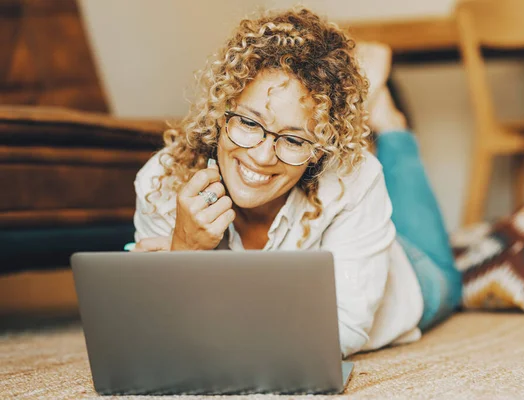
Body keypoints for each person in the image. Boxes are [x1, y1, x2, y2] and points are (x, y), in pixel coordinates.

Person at [132, 7, 462, 358]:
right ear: (222, 110)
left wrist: (194, 285)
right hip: (352, 237)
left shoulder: (357, 177)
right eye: (248, 122)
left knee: (452, 283)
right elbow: (156, 334)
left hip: (406, 274)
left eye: (293, 139)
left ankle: (389, 122)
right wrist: (185, 250)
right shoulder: (163, 181)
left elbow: (342, 330)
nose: (261, 157)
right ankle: (371, 107)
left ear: (318, 150)